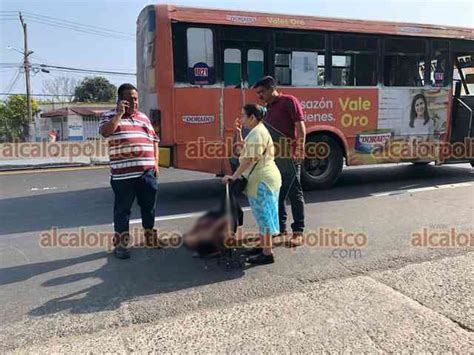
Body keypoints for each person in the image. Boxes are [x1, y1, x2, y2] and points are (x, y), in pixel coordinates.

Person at [99, 83, 160, 259]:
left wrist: (155, 164)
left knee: (149, 208)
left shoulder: (143, 118)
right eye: (130, 99)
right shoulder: (109, 116)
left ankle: (150, 237)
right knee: (122, 211)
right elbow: (105, 132)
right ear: (120, 99)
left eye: (136, 98)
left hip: (147, 174)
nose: (134, 102)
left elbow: (154, 140)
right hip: (122, 176)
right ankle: (121, 245)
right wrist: (119, 114)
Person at [222, 104, 281, 265]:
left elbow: (249, 159)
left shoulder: (258, 133)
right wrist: (238, 132)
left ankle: (267, 253)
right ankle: (263, 246)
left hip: (262, 182)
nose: (241, 118)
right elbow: (244, 151)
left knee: (264, 217)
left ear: (252, 117)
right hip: (263, 180)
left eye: (243, 115)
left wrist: (234, 176)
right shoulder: (256, 132)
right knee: (262, 215)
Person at [253, 76, 306, 248]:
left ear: (271, 88)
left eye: (262, 92)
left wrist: (300, 148)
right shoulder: (267, 108)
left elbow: (300, 126)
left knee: (294, 193)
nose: (259, 96)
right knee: (277, 194)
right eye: (258, 93)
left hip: (289, 155)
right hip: (274, 158)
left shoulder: (289, 101)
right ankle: (280, 229)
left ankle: (298, 232)